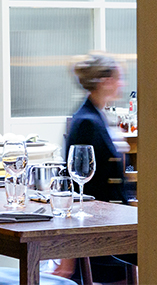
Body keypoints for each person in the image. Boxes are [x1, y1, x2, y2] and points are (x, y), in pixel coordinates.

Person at [52, 53, 136, 284]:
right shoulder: (87, 122)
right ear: (105, 81)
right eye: (119, 78)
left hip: (114, 224)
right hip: (100, 231)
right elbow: (78, 185)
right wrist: (69, 253)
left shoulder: (97, 116)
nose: (122, 84)